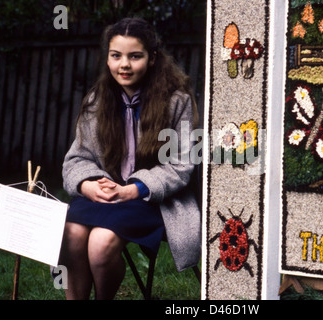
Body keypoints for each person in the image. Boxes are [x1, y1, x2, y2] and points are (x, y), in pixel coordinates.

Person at [60, 17, 201, 300]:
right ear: (108, 59)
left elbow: (182, 164)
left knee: (100, 242)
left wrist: (133, 189)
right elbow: (77, 159)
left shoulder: (177, 101)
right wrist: (89, 185)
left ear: (152, 58)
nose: (124, 64)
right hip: (106, 194)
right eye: (116, 56)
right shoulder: (97, 100)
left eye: (135, 56)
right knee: (71, 233)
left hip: (153, 199)